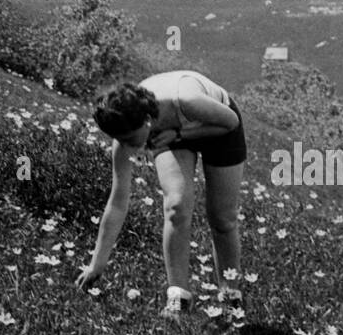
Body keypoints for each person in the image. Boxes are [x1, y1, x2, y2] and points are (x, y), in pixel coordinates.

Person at [76, 70, 246, 318]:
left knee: (222, 218)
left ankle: (231, 297)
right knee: (176, 206)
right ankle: (178, 297)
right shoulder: (126, 130)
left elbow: (231, 122)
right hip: (168, 132)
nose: (128, 146)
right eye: (120, 140)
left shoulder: (187, 100)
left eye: (131, 139)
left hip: (218, 125)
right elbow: (117, 202)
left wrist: (180, 134)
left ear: (145, 121)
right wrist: (96, 264)